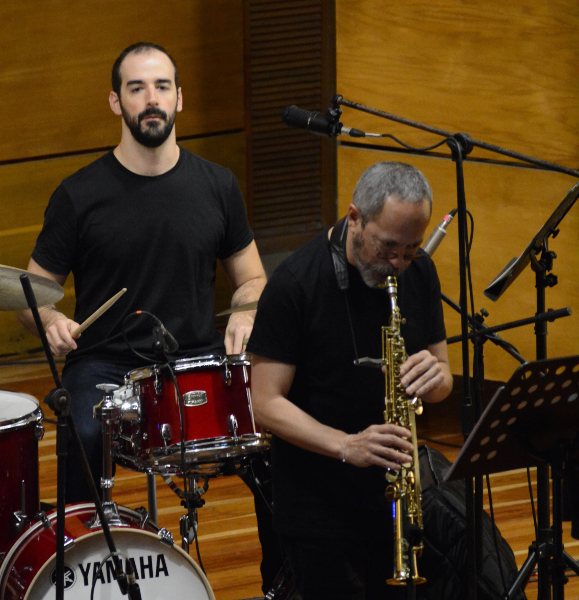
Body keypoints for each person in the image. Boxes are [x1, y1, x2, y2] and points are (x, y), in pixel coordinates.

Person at [17, 42, 279, 593]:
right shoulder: (79, 195)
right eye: (136, 88)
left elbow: (252, 278)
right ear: (116, 102)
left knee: (276, 438)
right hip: (105, 364)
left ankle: (285, 579)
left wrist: (247, 312)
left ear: (180, 98)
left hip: (195, 358)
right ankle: (83, 577)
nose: (151, 99)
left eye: (161, 86)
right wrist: (50, 321)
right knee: (82, 431)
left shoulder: (217, 184)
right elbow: (30, 294)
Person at [246, 161, 454, 600]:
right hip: (318, 506)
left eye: (411, 249)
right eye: (387, 248)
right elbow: (264, 403)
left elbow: (443, 381)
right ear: (355, 217)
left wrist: (435, 379)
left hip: (393, 502)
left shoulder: (419, 273)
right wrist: (347, 445)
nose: (398, 262)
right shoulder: (294, 284)